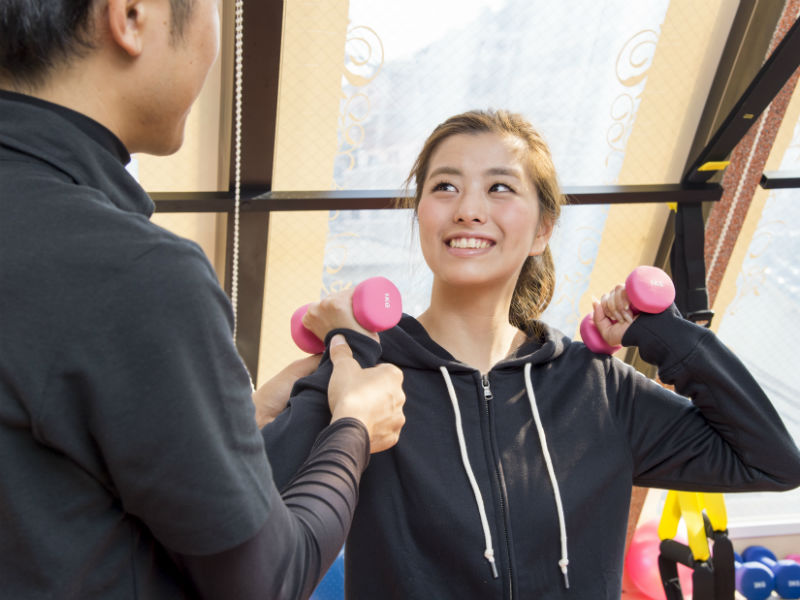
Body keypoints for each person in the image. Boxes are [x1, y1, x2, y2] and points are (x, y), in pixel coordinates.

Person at [261, 109, 800, 599]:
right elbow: (250, 526)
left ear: (543, 229)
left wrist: (664, 335)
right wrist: (340, 358)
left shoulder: (596, 387)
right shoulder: (365, 380)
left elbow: (771, 462)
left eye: (500, 188)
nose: (469, 209)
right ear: (421, 214)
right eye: (445, 186)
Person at [0, 1, 406, 599]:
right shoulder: (134, 273)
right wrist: (354, 429)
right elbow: (268, 581)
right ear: (134, 15)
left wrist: (240, 413)